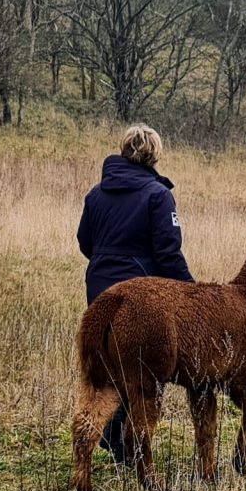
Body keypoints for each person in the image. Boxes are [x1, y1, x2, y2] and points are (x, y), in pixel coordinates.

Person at [75, 124, 193, 462]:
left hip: (98, 286)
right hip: (142, 295)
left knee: (108, 363)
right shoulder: (159, 195)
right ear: (155, 154)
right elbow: (168, 252)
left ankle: (107, 433)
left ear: (124, 149)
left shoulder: (96, 194)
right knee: (142, 369)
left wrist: (108, 263)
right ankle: (121, 440)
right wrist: (193, 291)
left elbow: (85, 243)